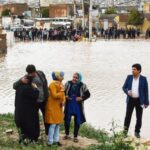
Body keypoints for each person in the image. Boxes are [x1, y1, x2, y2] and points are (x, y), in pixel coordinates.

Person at [13, 64, 49, 135]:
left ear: (35, 71)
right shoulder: (26, 77)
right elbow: (14, 86)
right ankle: (35, 132)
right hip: (35, 102)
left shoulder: (41, 74)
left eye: (32, 73)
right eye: (29, 73)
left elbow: (45, 84)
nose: (30, 75)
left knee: (47, 117)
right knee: (35, 119)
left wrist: (47, 94)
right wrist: (21, 81)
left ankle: (47, 133)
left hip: (44, 100)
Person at [122, 64, 149, 138]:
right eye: (132, 69)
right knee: (127, 116)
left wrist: (146, 102)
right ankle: (124, 132)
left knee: (139, 117)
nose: (132, 71)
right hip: (130, 100)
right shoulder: (129, 77)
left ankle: (137, 132)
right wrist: (127, 91)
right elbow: (124, 87)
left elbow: (146, 91)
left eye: (134, 69)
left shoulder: (144, 79)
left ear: (139, 70)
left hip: (140, 100)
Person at [64, 73, 90, 142]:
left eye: (76, 78)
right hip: (69, 105)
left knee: (77, 121)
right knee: (67, 120)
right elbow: (63, 92)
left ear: (79, 78)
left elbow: (88, 94)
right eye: (73, 77)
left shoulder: (83, 85)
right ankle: (67, 134)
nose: (74, 79)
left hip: (78, 106)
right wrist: (65, 96)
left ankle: (75, 136)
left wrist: (81, 98)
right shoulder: (68, 83)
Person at [14, 75, 39, 143]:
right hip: (27, 111)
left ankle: (22, 138)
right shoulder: (28, 89)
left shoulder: (19, 87)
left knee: (23, 126)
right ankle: (30, 139)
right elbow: (35, 95)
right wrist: (36, 88)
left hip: (19, 110)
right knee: (29, 125)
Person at [45, 72, 65, 146]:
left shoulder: (61, 84)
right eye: (61, 76)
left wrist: (64, 101)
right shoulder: (52, 84)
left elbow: (63, 96)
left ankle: (56, 141)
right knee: (53, 124)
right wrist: (61, 91)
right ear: (57, 76)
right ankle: (50, 142)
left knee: (58, 124)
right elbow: (54, 95)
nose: (62, 77)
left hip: (59, 107)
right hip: (52, 107)